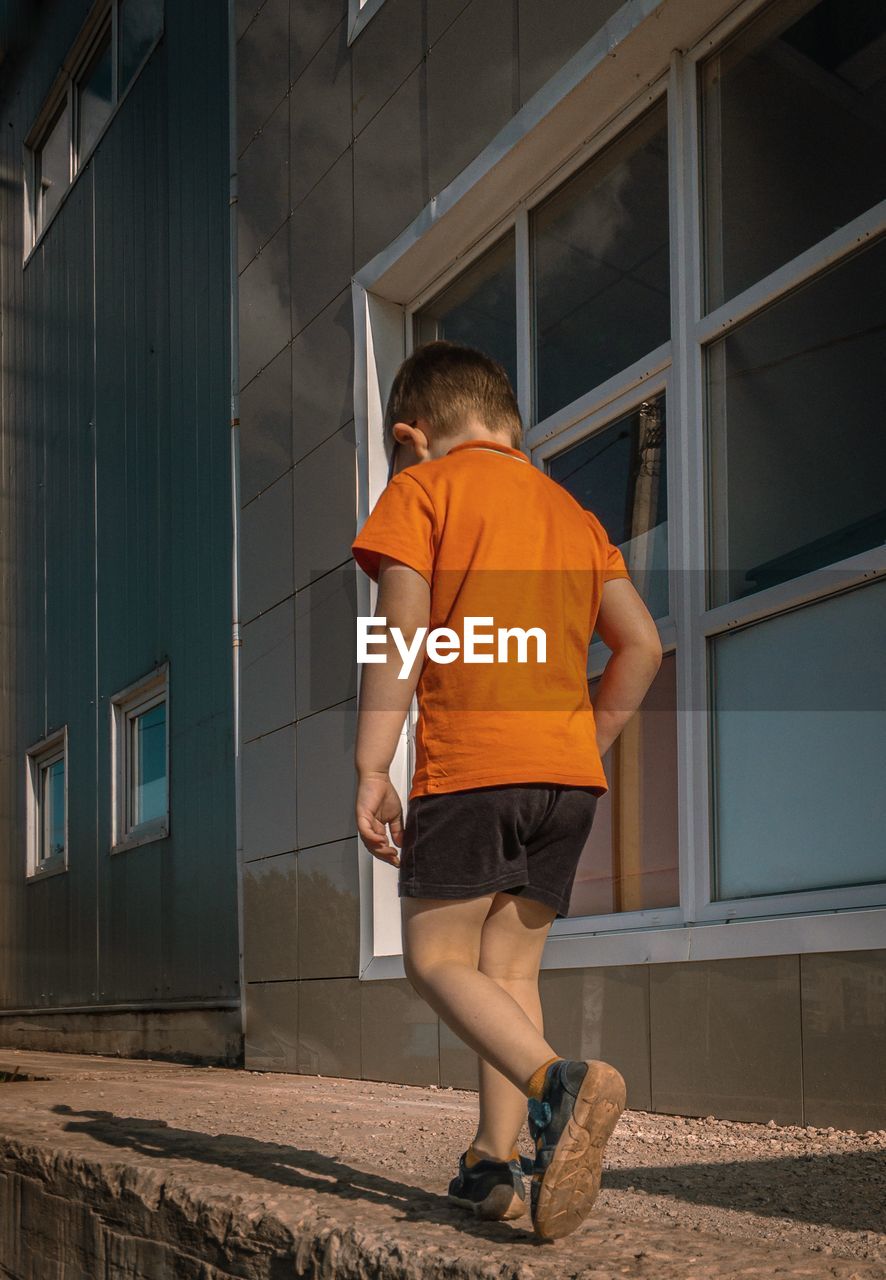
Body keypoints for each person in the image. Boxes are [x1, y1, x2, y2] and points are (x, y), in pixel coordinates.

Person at [351, 339, 662, 1240]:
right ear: (509, 426)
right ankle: (495, 1164)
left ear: (411, 439)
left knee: (435, 960)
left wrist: (375, 766)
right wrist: (587, 740)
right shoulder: (574, 514)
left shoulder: (423, 492)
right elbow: (639, 643)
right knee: (507, 972)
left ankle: (559, 1085)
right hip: (567, 783)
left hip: (473, 770)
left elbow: (402, 632)